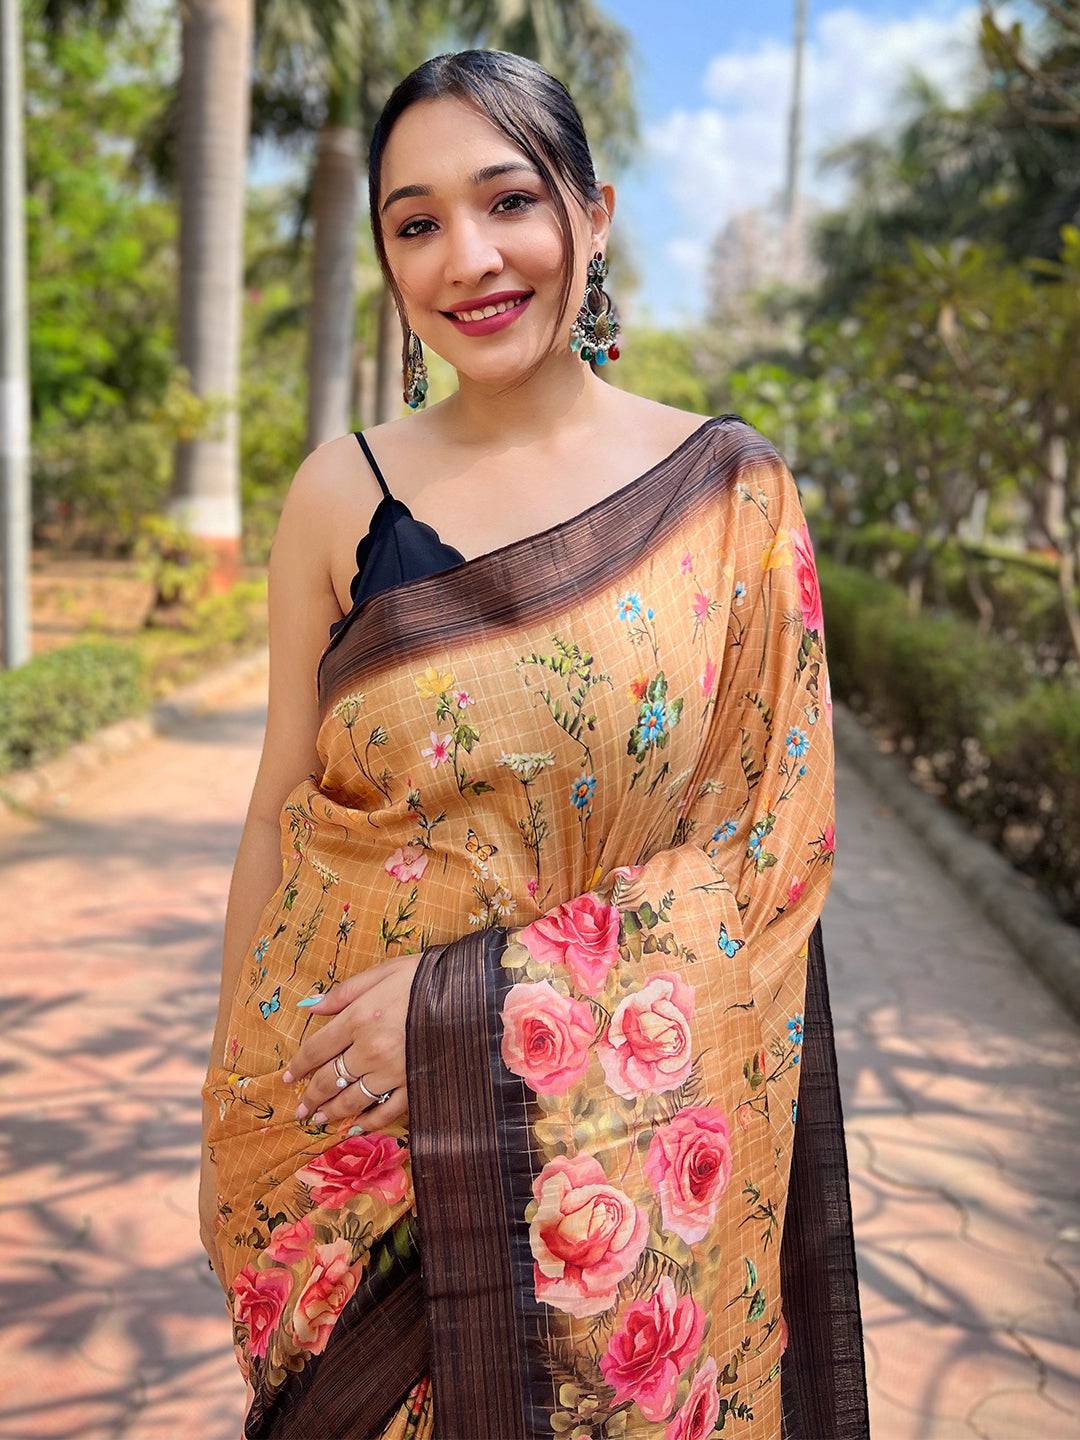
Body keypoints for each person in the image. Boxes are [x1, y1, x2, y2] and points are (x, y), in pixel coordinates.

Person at [199, 48, 869, 1440]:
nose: (470, 257)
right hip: (347, 1157)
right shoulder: (344, 493)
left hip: (608, 1188)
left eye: (509, 200)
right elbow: (280, 806)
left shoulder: (727, 498)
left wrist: (467, 1009)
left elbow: (767, 856)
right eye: (417, 221)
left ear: (594, 212)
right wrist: (240, 1099)